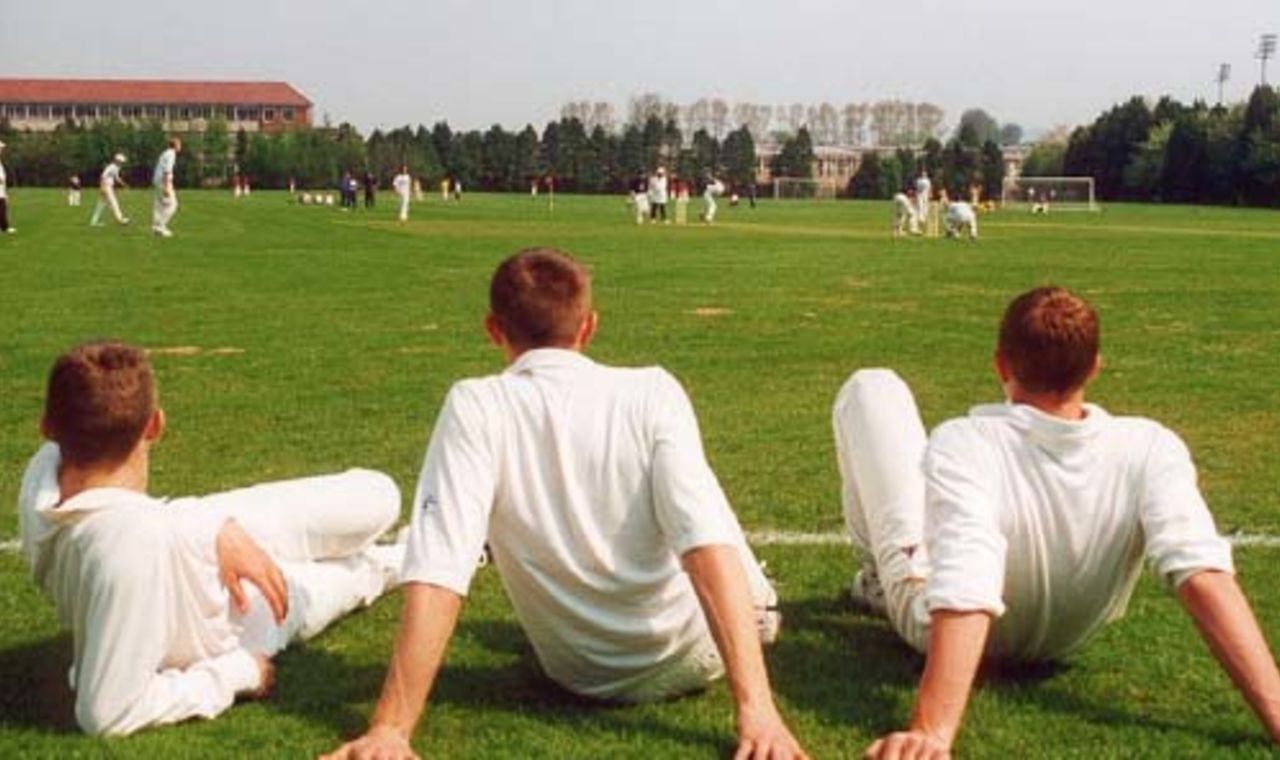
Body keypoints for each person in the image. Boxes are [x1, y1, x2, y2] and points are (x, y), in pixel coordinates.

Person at [323, 248, 807, 760]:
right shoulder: (651, 390)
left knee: (691, 502)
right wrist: (759, 713)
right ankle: (767, 609)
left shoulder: (475, 404)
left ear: (494, 330)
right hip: (691, 657)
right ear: (589, 327)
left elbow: (440, 571)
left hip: (577, 674)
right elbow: (707, 548)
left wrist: (390, 729)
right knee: (704, 505)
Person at [833, 287, 1280, 758]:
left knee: (871, 388)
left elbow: (968, 576)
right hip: (1066, 636)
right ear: (1094, 367)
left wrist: (932, 732)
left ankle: (879, 581)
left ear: (1001, 366)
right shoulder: (1150, 445)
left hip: (943, 628)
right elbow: (1202, 573)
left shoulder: (965, 442)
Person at [18, 341, 405, 736]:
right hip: (235, 614)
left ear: (47, 428)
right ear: (155, 424)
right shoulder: (128, 548)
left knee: (379, 496)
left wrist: (206, 528)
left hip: (206, 527)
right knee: (362, 571)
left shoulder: (41, 475)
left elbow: (111, 510)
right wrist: (237, 673)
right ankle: (406, 557)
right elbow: (107, 713)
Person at [151, 137, 181, 237]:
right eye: (179, 144)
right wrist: (166, 186)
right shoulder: (171, 154)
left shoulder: (165, 153)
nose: (180, 146)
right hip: (163, 182)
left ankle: (156, 227)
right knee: (172, 205)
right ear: (175, 145)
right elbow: (167, 171)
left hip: (157, 181)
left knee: (159, 205)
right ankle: (160, 226)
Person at [91, 153, 130, 227]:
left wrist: (123, 184)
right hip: (106, 187)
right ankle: (120, 219)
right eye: (121, 161)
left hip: (108, 187)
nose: (122, 163)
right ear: (117, 160)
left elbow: (116, 178)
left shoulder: (117, 168)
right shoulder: (111, 167)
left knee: (101, 205)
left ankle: (94, 221)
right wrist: (102, 187)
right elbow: (103, 176)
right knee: (114, 202)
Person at [0, 139, 14, 234]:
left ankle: (5, 227)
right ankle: (5, 227)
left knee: (3, 208)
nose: (2, 150)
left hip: (1, 190)